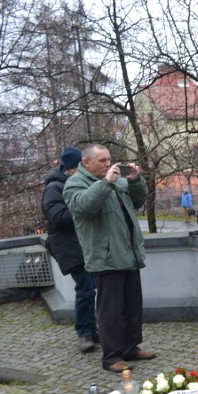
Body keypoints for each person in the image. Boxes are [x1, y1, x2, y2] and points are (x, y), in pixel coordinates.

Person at [63, 144, 157, 373]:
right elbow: (84, 207)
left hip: (128, 253)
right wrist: (106, 182)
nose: (108, 163)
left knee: (132, 306)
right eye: (102, 160)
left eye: (108, 159)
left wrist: (135, 181)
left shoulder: (116, 180)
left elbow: (137, 202)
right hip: (105, 258)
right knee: (110, 311)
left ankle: (130, 347)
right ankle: (112, 356)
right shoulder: (75, 183)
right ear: (86, 163)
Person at [41, 147, 99, 354]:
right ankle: (84, 333)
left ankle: (91, 330)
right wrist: (83, 208)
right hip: (69, 247)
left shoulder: (70, 184)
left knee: (89, 288)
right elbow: (58, 218)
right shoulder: (54, 188)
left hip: (80, 244)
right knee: (85, 288)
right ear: (73, 168)